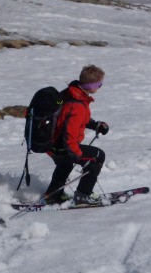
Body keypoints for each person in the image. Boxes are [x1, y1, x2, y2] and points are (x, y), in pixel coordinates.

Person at [44, 64, 110, 206]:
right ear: (91, 86)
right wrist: (75, 153)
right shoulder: (78, 105)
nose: (100, 86)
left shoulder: (71, 93)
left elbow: (72, 119)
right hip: (63, 146)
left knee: (65, 164)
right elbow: (71, 132)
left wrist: (95, 125)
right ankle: (82, 196)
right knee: (97, 156)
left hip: (54, 144)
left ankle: (53, 196)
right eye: (100, 84)